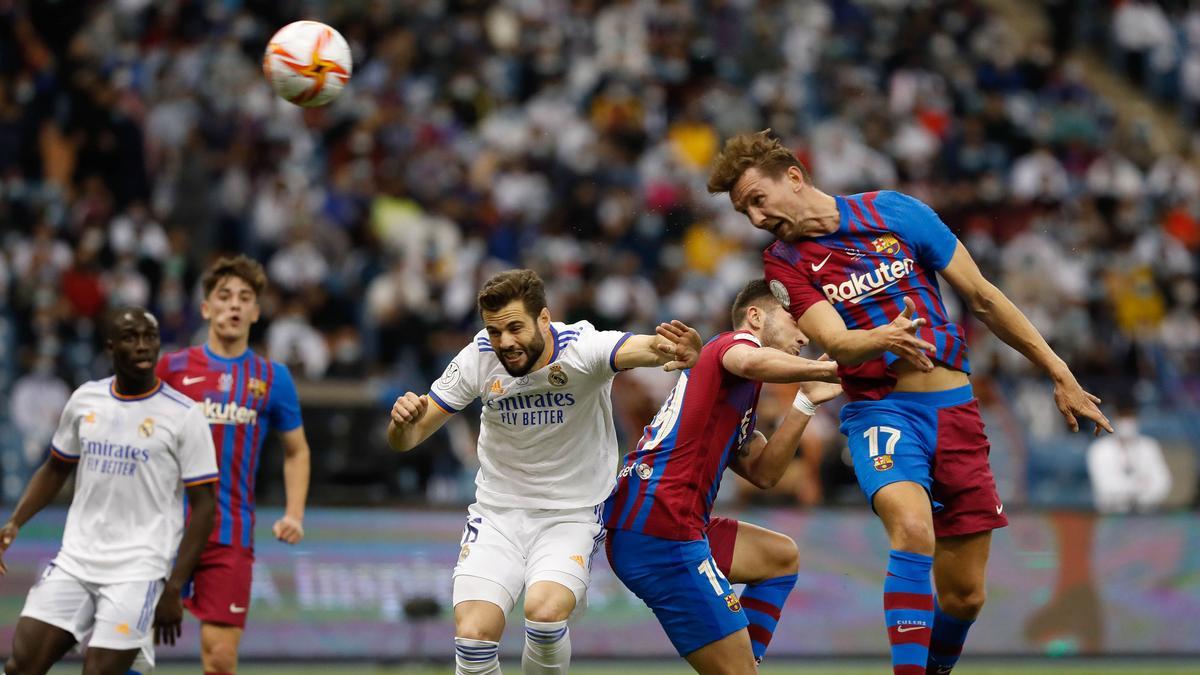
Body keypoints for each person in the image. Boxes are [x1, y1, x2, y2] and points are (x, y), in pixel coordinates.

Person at [707, 130, 1113, 675]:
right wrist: (878, 338)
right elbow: (839, 340)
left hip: (955, 412)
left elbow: (984, 298)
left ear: (795, 177)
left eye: (758, 199)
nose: (756, 217)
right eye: (744, 211)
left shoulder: (894, 211)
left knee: (966, 596)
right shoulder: (784, 263)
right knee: (913, 529)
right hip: (882, 411)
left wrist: (1059, 373)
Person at [387, 268, 701, 675]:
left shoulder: (581, 348)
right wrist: (400, 423)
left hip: (569, 516)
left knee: (545, 613)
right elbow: (407, 439)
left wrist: (680, 349)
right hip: (498, 515)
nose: (505, 342)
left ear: (544, 319)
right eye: (495, 331)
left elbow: (642, 349)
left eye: (515, 328)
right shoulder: (478, 357)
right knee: (473, 635)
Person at [603, 279, 842, 674]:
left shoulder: (741, 390)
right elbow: (748, 360)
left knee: (780, 558)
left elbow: (763, 474)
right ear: (754, 317)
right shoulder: (731, 347)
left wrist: (805, 401)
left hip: (672, 525)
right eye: (796, 321)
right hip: (658, 529)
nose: (805, 335)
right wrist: (827, 368)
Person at [0, 307, 218, 675]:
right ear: (111, 346)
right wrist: (15, 521)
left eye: (149, 337)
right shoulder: (86, 400)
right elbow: (55, 468)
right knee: (21, 665)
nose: (142, 346)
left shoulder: (184, 415)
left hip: (139, 569)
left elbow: (205, 505)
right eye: (131, 338)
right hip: (76, 560)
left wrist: (174, 585)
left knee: (99, 672)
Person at [155, 255, 312, 675]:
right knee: (126, 646)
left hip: (229, 533)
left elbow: (296, 450)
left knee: (221, 659)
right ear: (206, 307)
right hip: (161, 530)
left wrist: (294, 513)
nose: (234, 305)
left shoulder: (273, 377)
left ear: (256, 312)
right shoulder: (170, 369)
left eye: (245, 298)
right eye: (224, 296)